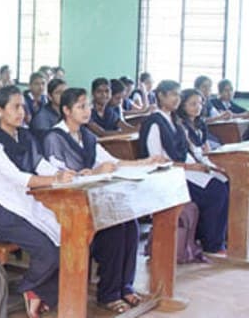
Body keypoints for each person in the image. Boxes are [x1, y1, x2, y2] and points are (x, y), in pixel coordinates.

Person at [40, 87, 166, 313]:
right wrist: (93, 172)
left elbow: (112, 162)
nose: (87, 110)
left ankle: (124, 286)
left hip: (93, 201)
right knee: (114, 231)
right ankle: (108, 293)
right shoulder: (54, 137)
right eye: (81, 106)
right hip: (67, 207)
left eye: (87, 105)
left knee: (130, 224)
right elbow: (58, 177)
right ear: (66, 110)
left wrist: (146, 162)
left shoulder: (87, 136)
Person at [0, 85, 75, 318]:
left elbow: (40, 164)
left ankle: (39, 292)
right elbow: (17, 177)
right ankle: (29, 287)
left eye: (22, 106)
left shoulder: (24, 135)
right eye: (15, 107)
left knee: (68, 240)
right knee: (47, 252)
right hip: (2, 211)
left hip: (27, 204)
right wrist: (54, 179)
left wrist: (68, 174)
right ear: (0, 111)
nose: (21, 111)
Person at [138, 80, 229, 254]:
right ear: (160, 96)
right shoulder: (154, 122)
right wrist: (190, 167)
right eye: (172, 94)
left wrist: (207, 166)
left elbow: (191, 149)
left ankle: (215, 239)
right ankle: (211, 243)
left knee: (224, 182)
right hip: (167, 175)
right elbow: (156, 160)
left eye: (178, 95)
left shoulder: (175, 121)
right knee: (215, 192)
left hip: (184, 169)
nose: (177, 99)